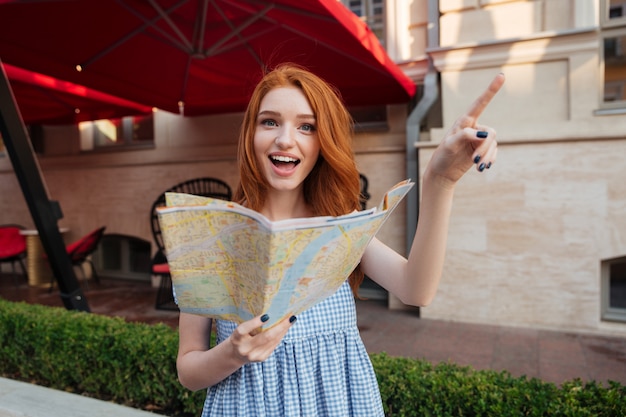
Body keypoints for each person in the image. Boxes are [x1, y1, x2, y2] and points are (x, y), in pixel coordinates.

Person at [176, 64, 505, 416]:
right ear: (250, 134)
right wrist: (233, 353)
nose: (285, 139)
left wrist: (440, 182)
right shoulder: (211, 238)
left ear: (323, 142)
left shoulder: (342, 228)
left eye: (307, 126)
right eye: (270, 121)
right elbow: (188, 371)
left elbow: (416, 289)